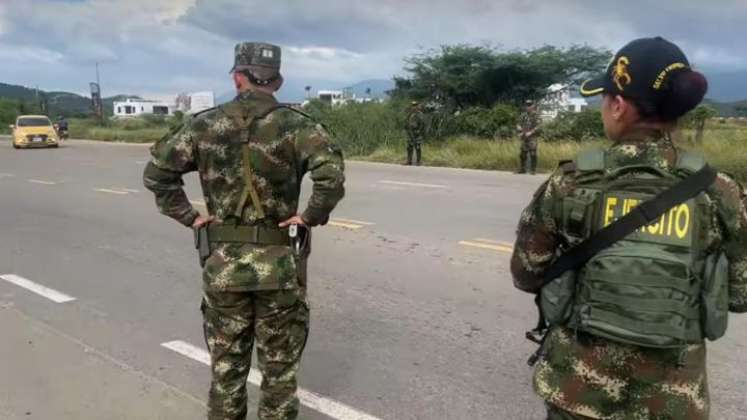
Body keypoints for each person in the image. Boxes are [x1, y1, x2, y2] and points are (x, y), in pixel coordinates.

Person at [510, 37, 747, 419]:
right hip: (673, 401)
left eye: (604, 98)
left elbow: (526, 274)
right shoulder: (718, 191)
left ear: (618, 106)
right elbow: (740, 295)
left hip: (577, 394)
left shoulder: (570, 183)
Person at [143, 42, 345, 420]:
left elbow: (157, 175)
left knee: (226, 373)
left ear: (237, 77)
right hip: (280, 270)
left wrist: (190, 217)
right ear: (278, 80)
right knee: (279, 375)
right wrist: (309, 216)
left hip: (223, 269)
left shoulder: (203, 125)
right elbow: (331, 179)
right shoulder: (298, 125)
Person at [517, 100, 541, 174]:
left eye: (530, 105)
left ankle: (533, 170)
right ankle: (522, 169)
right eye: (527, 105)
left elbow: (539, 126)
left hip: (532, 137)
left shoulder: (536, 115)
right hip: (524, 136)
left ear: (533, 106)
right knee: (522, 154)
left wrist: (531, 132)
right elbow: (518, 123)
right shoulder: (523, 115)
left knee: (533, 154)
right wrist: (519, 129)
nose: (528, 107)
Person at [405, 101, 426, 166]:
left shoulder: (420, 114)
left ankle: (418, 161)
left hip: (417, 133)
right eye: (412, 105)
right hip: (410, 133)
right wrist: (406, 129)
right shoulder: (410, 114)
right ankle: (409, 161)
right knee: (409, 147)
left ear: (417, 106)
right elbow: (406, 122)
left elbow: (423, 124)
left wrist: (419, 131)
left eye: (415, 105)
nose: (414, 107)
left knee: (418, 147)